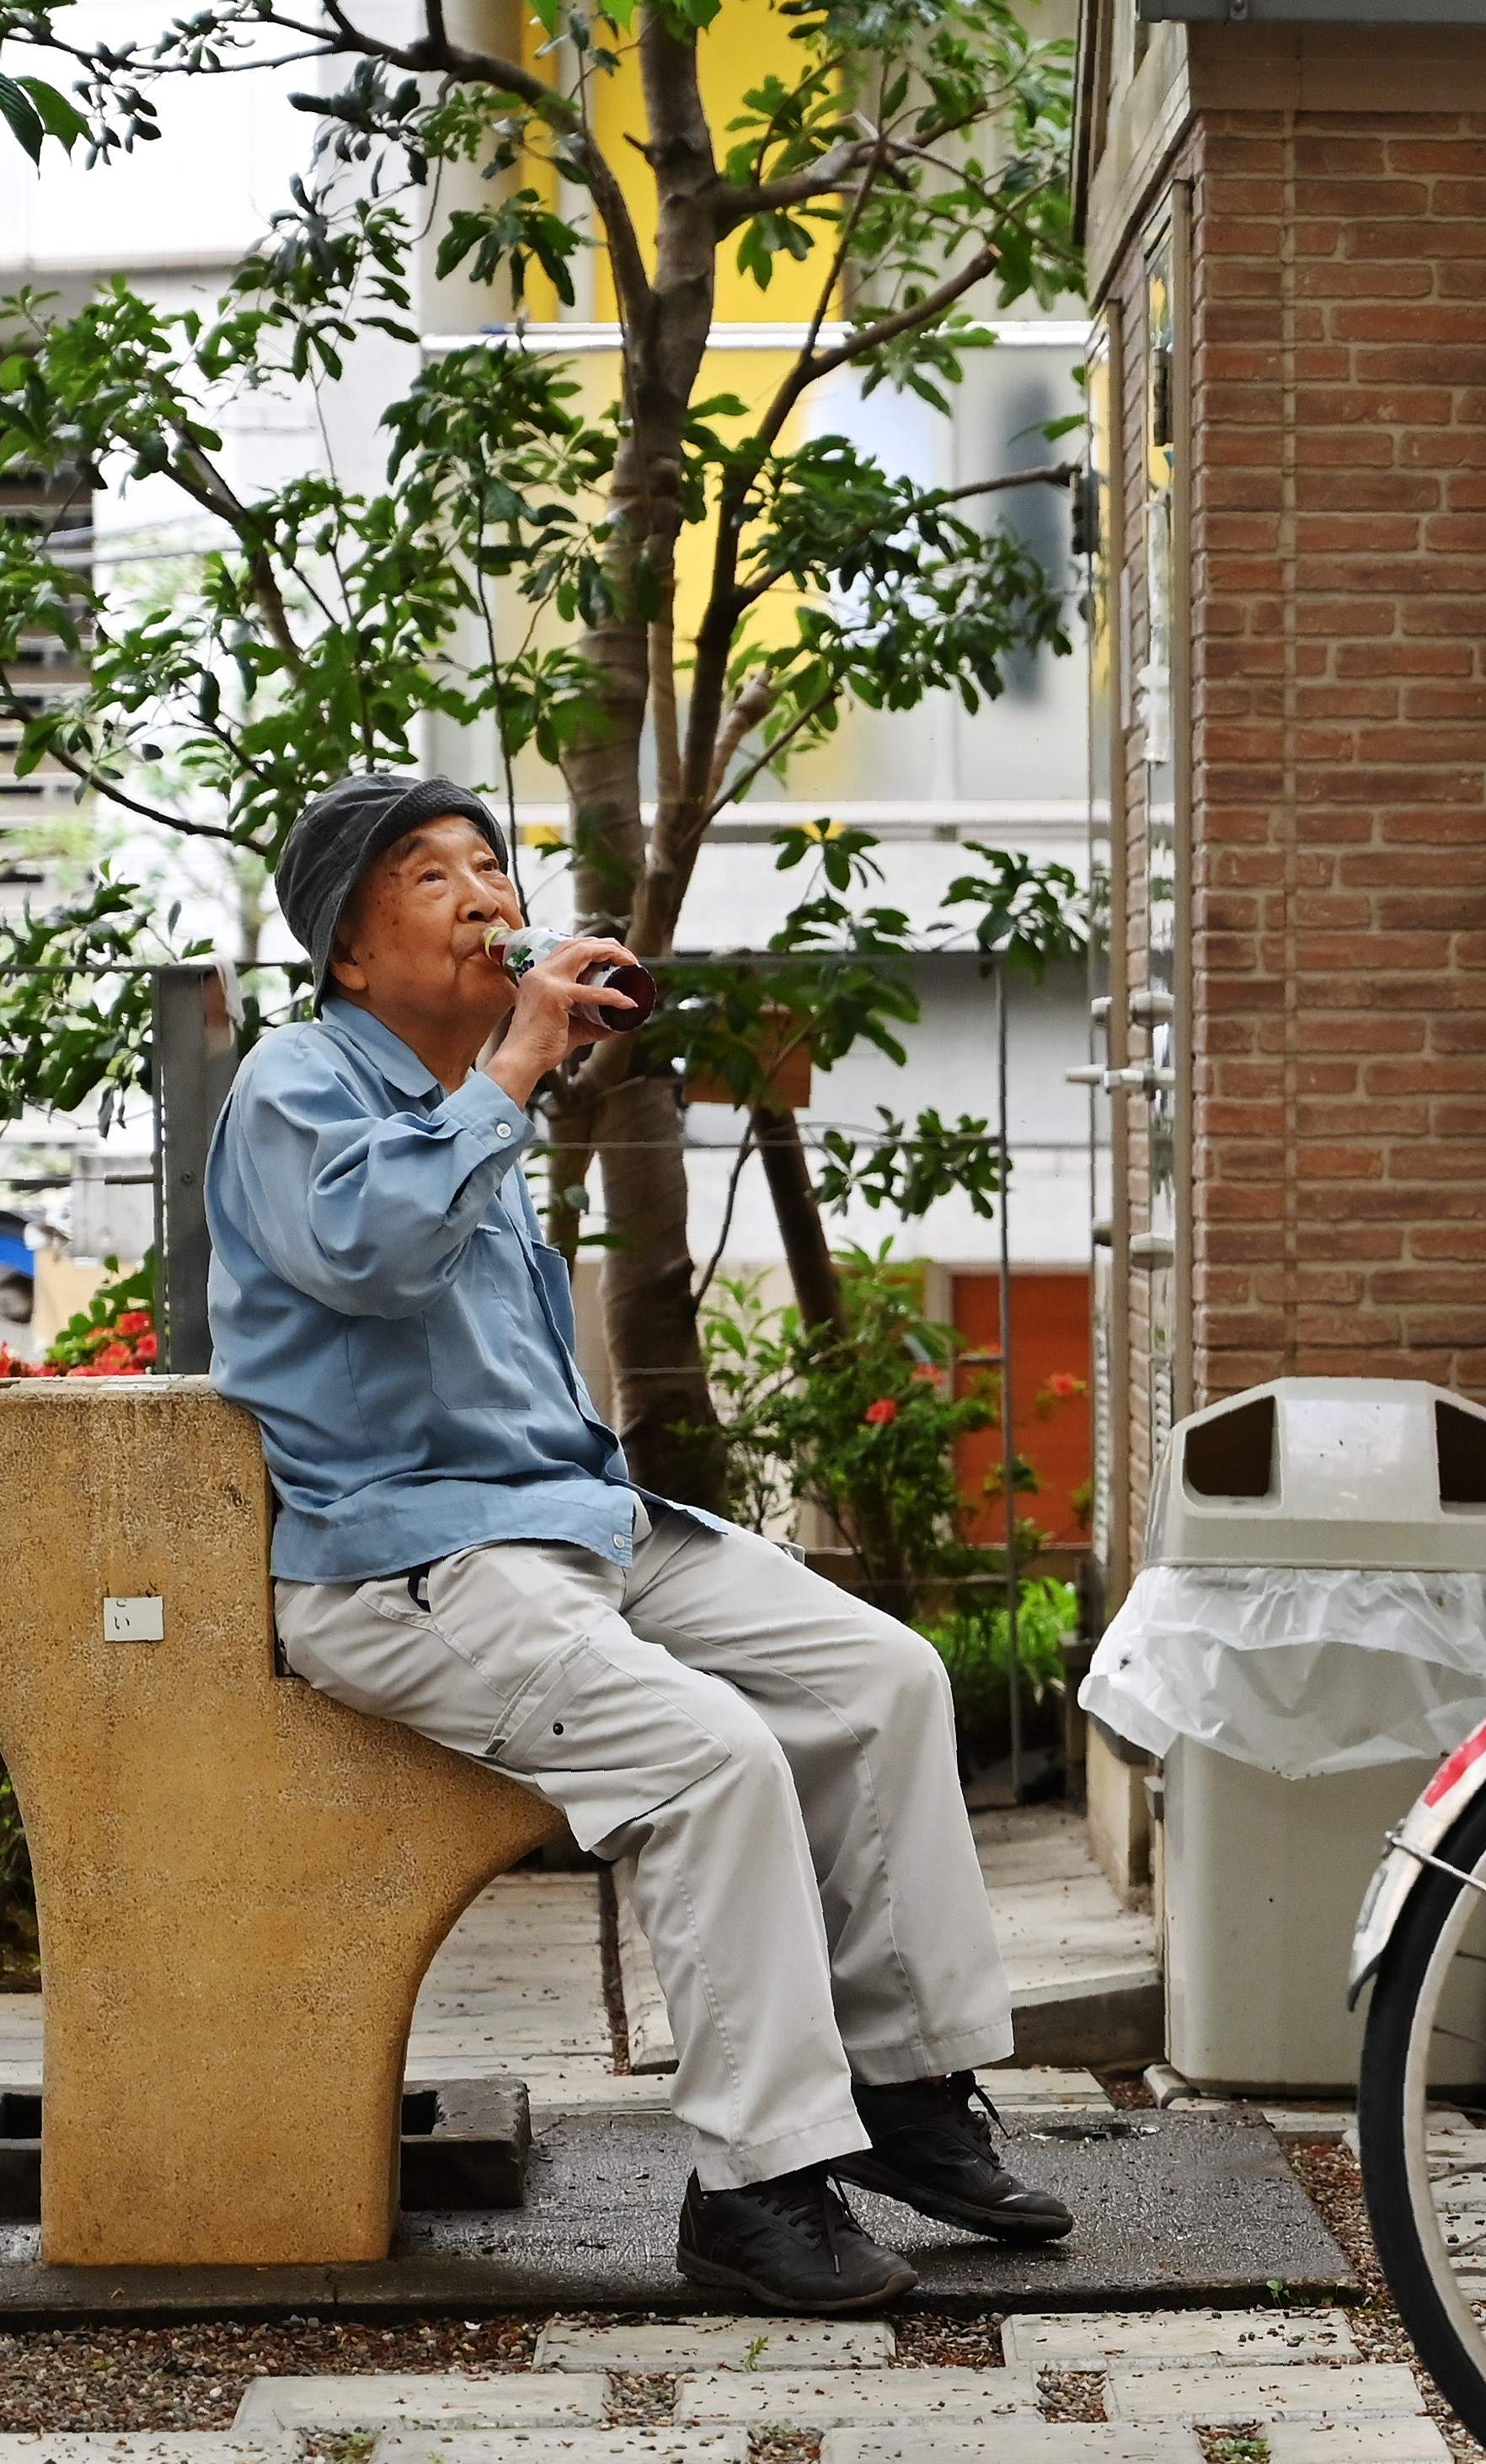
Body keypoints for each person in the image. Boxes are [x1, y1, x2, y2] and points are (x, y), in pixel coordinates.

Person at [209, 768, 1068, 2312]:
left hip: (575, 1527)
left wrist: (513, 1067)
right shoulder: (298, 1083)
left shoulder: (471, 1093)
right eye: (430, 878)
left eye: (490, 865)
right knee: (709, 1756)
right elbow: (368, 1253)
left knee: (881, 1678)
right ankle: (755, 2189)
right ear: (345, 950)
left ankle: (899, 2093)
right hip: (407, 1565)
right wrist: (522, 1059)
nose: (483, 895)